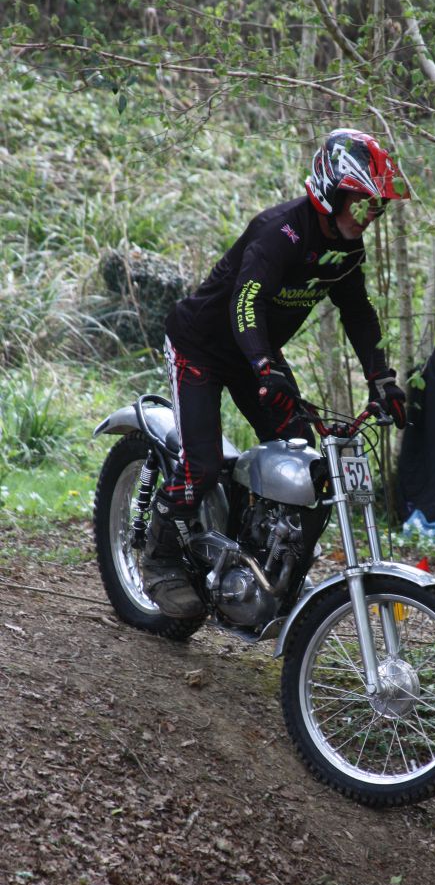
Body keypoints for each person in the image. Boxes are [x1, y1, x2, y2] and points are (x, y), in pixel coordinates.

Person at [143, 128, 410, 617]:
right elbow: (247, 301)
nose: (369, 215)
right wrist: (265, 366)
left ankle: (258, 559)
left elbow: (358, 313)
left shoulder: (347, 250)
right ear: (332, 190)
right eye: (361, 202)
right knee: (202, 465)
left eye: (376, 206)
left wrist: (382, 380)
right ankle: (159, 559)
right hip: (201, 346)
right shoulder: (281, 231)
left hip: (255, 354)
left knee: (305, 458)